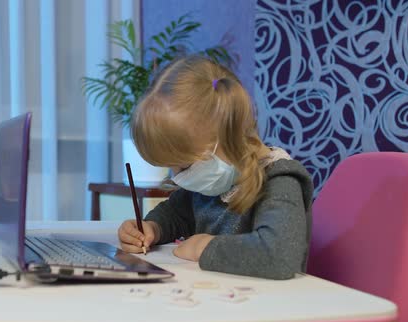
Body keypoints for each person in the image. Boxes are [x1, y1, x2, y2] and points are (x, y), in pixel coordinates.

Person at [117, 55, 314, 279]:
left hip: (269, 307)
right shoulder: (215, 182)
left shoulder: (280, 181)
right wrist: (152, 228)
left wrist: (205, 247)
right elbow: (176, 213)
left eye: (184, 166)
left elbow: (278, 256)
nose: (178, 178)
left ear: (228, 139)